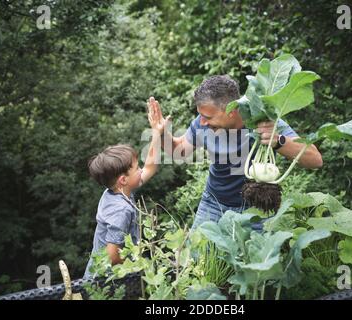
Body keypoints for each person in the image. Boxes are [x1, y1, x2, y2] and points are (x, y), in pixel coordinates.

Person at [147, 75, 323, 230]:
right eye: (200, 115)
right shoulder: (202, 123)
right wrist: (161, 133)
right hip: (213, 204)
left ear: (232, 110)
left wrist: (279, 141)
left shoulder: (264, 119)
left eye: (208, 117)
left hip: (257, 208)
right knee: (197, 260)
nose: (202, 122)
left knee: (253, 264)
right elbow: (179, 151)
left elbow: (315, 160)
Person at [84, 100, 164, 277]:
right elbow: (113, 257)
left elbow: (151, 166)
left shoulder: (117, 191)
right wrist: (138, 269)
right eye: (136, 168)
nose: (141, 169)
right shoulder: (121, 210)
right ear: (123, 180)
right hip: (106, 281)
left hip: (105, 274)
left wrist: (157, 132)